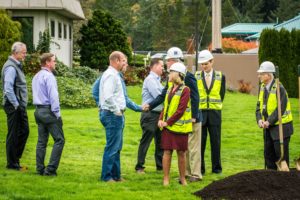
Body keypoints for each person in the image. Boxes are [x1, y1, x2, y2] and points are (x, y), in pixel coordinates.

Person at [143, 47, 202, 182]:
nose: (167, 65)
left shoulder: (188, 77)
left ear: (174, 62)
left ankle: (196, 174)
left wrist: (193, 116)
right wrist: (150, 105)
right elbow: (164, 97)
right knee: (183, 150)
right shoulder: (171, 84)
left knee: (192, 148)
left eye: (168, 61)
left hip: (191, 118)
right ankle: (186, 174)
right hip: (176, 122)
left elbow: (195, 97)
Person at [158, 62, 192, 186]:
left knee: (181, 153)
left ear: (178, 74)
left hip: (179, 127)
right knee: (167, 152)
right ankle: (166, 179)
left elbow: (180, 110)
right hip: (168, 126)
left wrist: (167, 122)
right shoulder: (169, 88)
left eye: (171, 72)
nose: (169, 74)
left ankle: (182, 179)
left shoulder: (186, 90)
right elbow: (165, 107)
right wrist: (160, 119)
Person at [255, 61, 293, 170]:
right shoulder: (262, 87)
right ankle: (270, 183)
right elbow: (258, 107)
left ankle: (284, 182)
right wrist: (259, 120)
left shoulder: (279, 88)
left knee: (281, 158)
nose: (259, 76)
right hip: (268, 128)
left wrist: (269, 121)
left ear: (269, 74)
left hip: (281, 128)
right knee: (268, 157)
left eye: (261, 74)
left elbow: (281, 108)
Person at [32, 53, 65, 176]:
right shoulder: (49, 76)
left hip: (38, 111)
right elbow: (53, 96)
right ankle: (50, 170)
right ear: (47, 62)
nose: (55, 63)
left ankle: (40, 169)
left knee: (41, 142)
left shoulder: (36, 76)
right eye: (54, 61)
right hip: (48, 111)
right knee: (59, 140)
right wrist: (57, 114)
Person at [195, 50, 226, 175]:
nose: (203, 66)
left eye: (206, 64)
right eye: (202, 64)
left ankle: (216, 168)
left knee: (215, 142)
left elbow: (221, 94)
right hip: (201, 113)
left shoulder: (220, 76)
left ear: (212, 62)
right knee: (200, 143)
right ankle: (200, 169)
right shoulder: (196, 76)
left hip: (215, 114)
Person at [99, 51, 127, 182]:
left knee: (117, 147)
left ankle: (116, 175)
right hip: (112, 115)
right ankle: (107, 177)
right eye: (122, 61)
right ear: (116, 61)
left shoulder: (113, 74)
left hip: (112, 114)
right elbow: (108, 96)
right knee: (112, 147)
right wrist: (117, 111)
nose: (124, 63)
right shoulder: (111, 75)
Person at [1, 42, 29, 171]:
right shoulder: (11, 67)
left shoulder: (17, 65)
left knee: (24, 131)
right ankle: (12, 164)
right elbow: (8, 88)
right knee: (14, 134)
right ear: (16, 53)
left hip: (18, 105)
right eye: (23, 52)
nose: (25, 54)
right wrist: (16, 105)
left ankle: (15, 161)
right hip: (14, 105)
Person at [135, 58, 164, 174]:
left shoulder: (157, 80)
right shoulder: (151, 80)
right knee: (146, 140)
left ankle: (160, 166)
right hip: (150, 115)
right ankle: (139, 166)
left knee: (160, 142)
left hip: (159, 114)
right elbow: (159, 95)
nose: (163, 68)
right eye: (161, 66)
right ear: (155, 66)